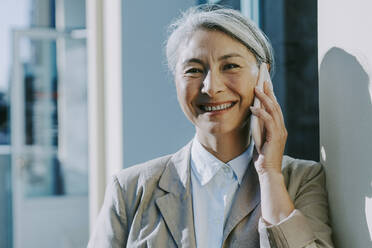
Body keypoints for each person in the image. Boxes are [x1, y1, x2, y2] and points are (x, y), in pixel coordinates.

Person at [88, 5, 333, 248]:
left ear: (263, 75)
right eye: (193, 70)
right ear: (176, 80)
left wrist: (270, 174)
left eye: (230, 66)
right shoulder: (131, 188)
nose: (211, 86)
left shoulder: (303, 181)